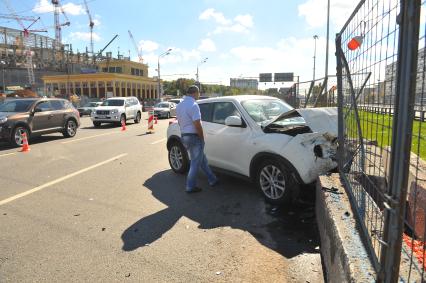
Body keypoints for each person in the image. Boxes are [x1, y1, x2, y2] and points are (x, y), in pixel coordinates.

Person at [176, 85, 218, 193]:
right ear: (195, 93)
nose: (199, 95)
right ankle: (190, 186)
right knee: (195, 163)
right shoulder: (194, 105)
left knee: (202, 160)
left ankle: (212, 179)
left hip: (184, 136)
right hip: (194, 137)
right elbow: (197, 124)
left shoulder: (179, 105)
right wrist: (202, 138)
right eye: (198, 93)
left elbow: (180, 122)